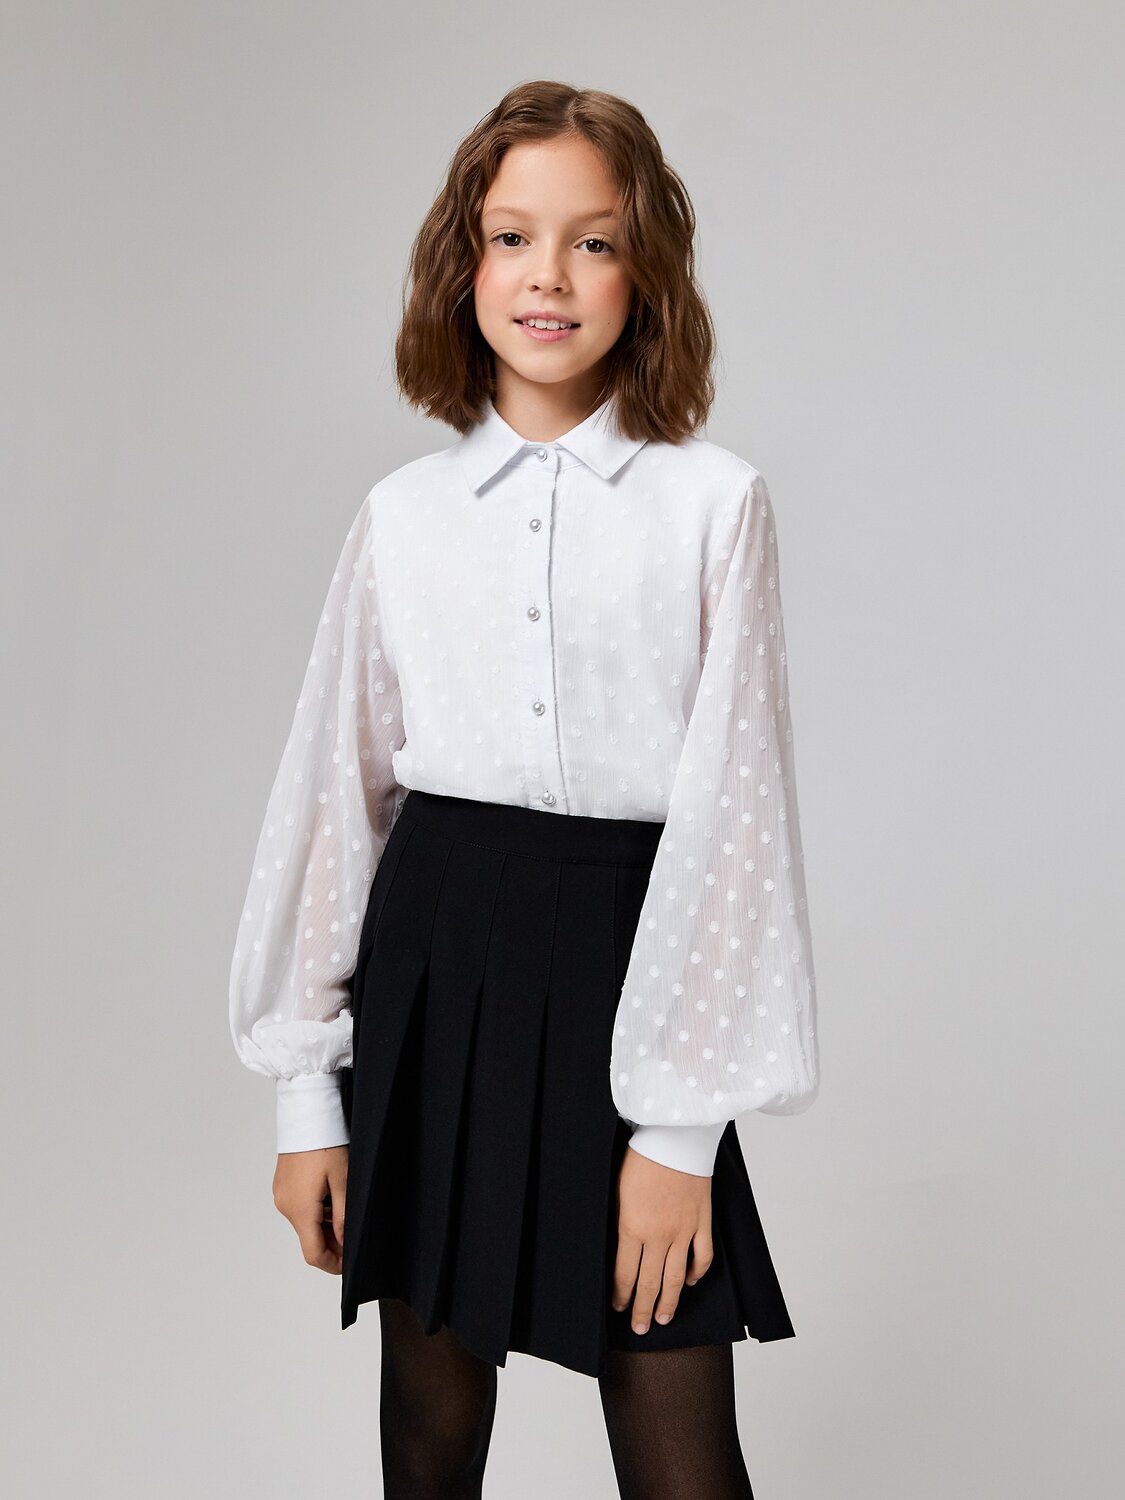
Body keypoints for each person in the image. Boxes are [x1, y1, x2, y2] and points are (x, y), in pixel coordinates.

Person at [228, 79, 821, 1500]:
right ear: (465, 264)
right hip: (437, 965)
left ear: (645, 273)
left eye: (592, 241)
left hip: (631, 963)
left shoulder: (713, 503)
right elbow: (335, 802)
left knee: (682, 1455)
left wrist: (676, 1130)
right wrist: (307, 1096)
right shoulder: (403, 517)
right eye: (511, 237)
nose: (547, 275)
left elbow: (735, 821)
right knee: (429, 1435)